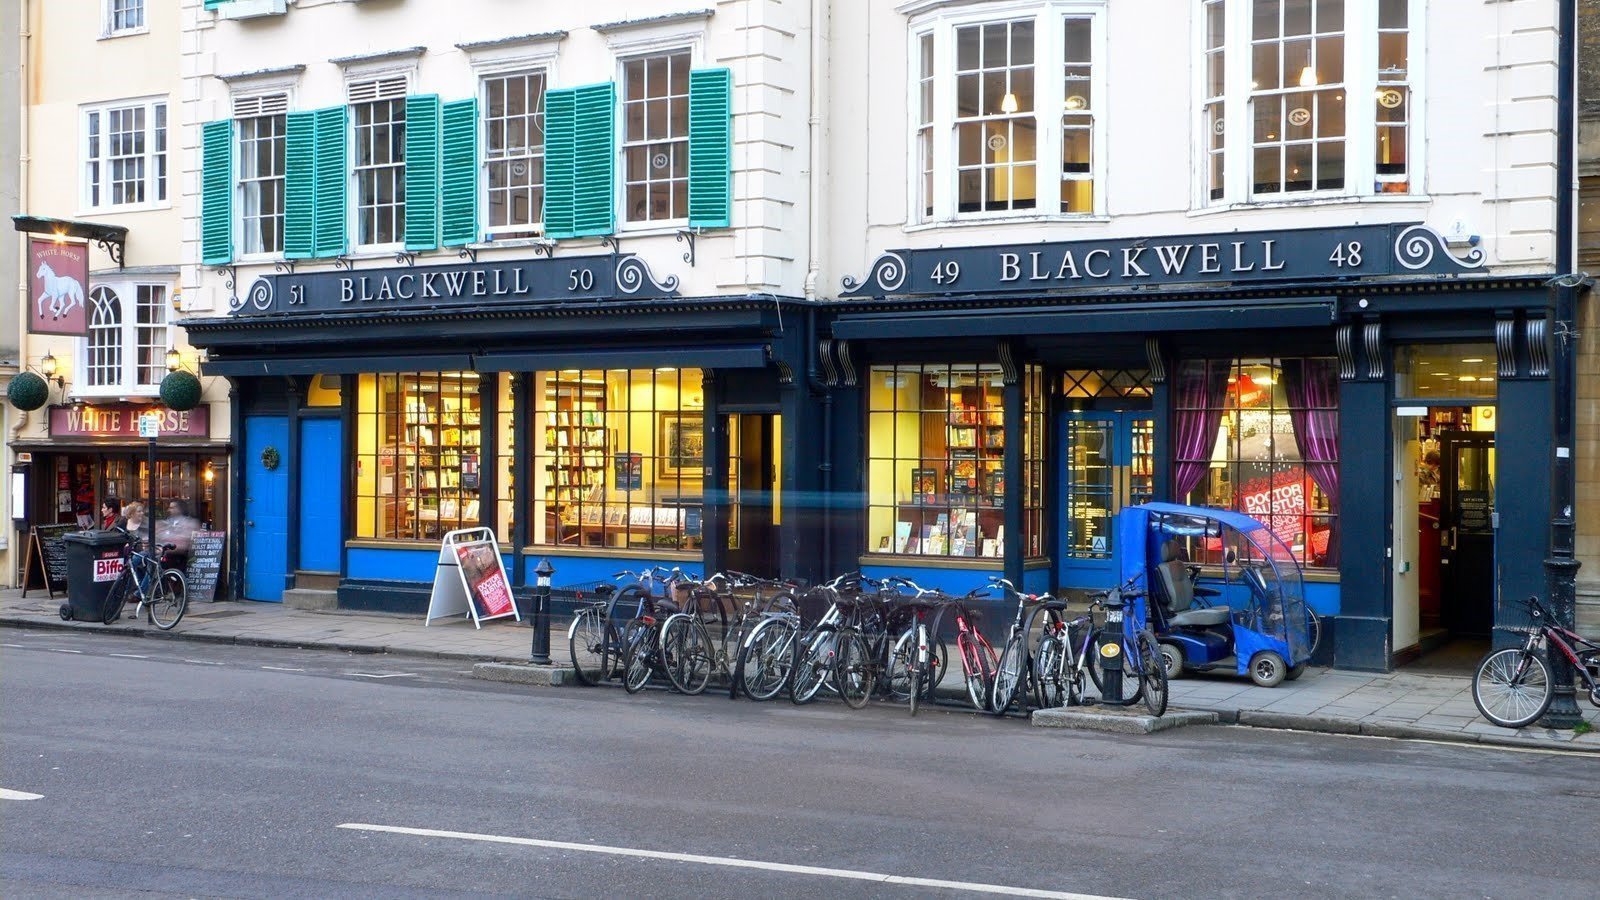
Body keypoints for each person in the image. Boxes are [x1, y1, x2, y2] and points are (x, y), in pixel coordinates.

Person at [159, 499, 199, 571]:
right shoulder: (169, 521)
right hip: (167, 552)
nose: (170, 510)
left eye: (173, 508)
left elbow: (186, 541)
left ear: (180, 509)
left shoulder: (189, 522)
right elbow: (162, 536)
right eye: (170, 508)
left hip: (179, 555)